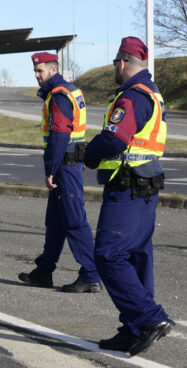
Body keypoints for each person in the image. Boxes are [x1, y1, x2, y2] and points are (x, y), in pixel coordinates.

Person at [83, 37, 173, 356]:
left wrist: (89, 152)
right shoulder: (152, 94)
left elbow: (116, 138)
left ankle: (150, 319)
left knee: (108, 254)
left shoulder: (131, 97)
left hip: (127, 188)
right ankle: (133, 327)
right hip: (145, 187)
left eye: (114, 64)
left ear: (122, 63)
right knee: (136, 257)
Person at [18, 52, 101, 293]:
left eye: (40, 71)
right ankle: (44, 271)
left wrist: (50, 170)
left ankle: (91, 274)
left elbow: (59, 136)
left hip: (65, 166)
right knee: (55, 222)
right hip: (67, 164)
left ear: (53, 70)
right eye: (35, 71)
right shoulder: (67, 91)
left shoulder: (59, 96)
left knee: (74, 221)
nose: (36, 75)